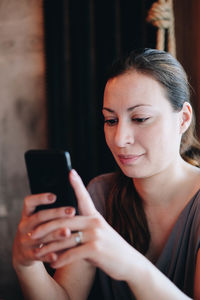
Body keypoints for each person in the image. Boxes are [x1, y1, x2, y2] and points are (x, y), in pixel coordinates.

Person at [13, 48, 200, 300]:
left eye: (140, 118)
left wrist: (131, 265)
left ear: (183, 119)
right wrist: (27, 265)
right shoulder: (100, 194)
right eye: (110, 120)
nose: (120, 139)